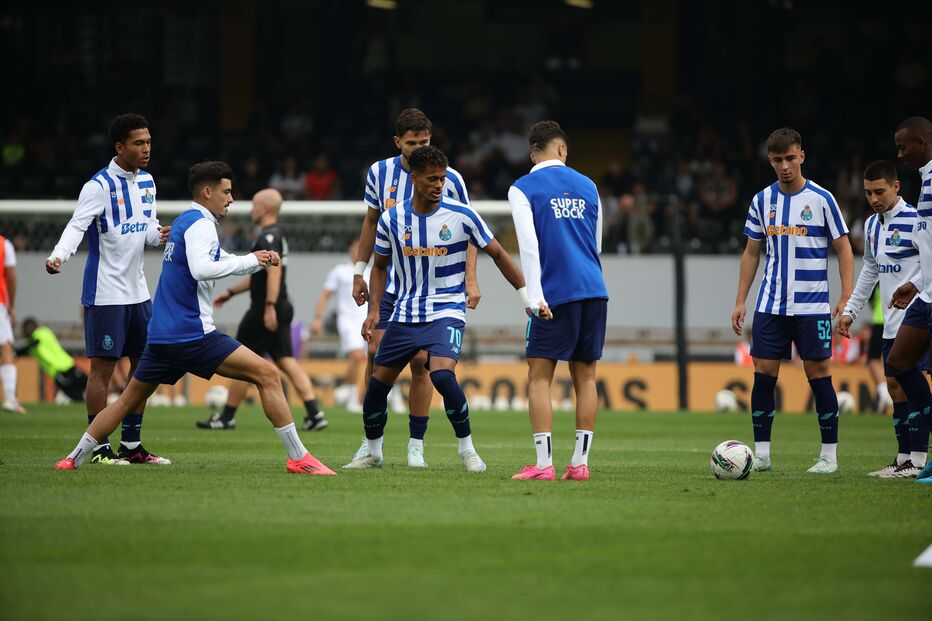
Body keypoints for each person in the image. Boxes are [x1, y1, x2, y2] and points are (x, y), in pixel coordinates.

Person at [55, 161, 335, 475]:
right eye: (226, 191)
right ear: (207, 191)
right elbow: (202, 269)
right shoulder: (202, 224)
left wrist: (255, 263)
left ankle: (73, 458)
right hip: (191, 334)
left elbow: (209, 261)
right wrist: (250, 260)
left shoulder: (185, 221)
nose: (231, 198)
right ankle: (299, 458)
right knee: (267, 375)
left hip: (161, 337)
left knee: (124, 402)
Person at [343, 145, 538, 472]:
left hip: (446, 309)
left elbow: (500, 254)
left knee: (443, 375)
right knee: (377, 385)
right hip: (404, 312)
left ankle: (467, 450)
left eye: (442, 179)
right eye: (432, 179)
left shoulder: (461, 214)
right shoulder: (392, 218)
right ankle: (373, 452)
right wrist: (376, 311)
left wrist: (526, 299)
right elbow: (379, 267)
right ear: (414, 177)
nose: (438, 185)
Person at [350, 108, 479, 468]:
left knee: (423, 364)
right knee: (374, 354)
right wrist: (359, 272)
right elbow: (371, 223)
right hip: (390, 286)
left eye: (424, 141)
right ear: (397, 143)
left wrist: (470, 277)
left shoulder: (449, 178)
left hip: (433, 290)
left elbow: (471, 231)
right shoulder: (379, 173)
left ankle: (415, 445)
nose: (418, 148)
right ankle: (370, 444)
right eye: (412, 143)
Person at [45, 113, 170, 465]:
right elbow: (77, 226)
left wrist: (158, 234)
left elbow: (146, 229)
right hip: (106, 294)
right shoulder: (97, 187)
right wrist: (59, 256)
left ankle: (131, 446)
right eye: (139, 143)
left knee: (145, 367)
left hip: (139, 293)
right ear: (120, 147)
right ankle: (98, 448)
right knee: (102, 370)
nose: (147, 149)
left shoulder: (147, 181)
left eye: (148, 142)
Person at [731, 127, 854, 475]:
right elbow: (752, 252)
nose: (784, 165)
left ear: (801, 156)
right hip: (770, 304)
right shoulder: (761, 201)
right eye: (776, 160)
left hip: (812, 306)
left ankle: (829, 456)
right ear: (770, 161)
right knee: (763, 375)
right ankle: (763, 455)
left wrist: (845, 295)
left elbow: (844, 247)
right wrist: (741, 300)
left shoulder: (822, 199)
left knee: (819, 374)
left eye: (789, 158)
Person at [507, 121, 607, 482]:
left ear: (532, 153)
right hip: (594, 289)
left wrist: (534, 296)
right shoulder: (590, 186)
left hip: (554, 292)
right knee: (586, 377)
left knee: (539, 376)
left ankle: (544, 464)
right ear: (562, 149)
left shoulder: (522, 188)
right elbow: (596, 245)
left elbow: (528, 245)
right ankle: (580, 464)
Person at [198, 188, 327, 431]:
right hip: (280, 305)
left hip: (265, 308)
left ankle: (226, 417)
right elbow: (258, 276)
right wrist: (231, 292)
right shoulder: (276, 234)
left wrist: (268, 307)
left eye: (255, 204)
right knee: (286, 360)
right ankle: (314, 413)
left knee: (242, 358)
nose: (251, 209)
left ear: (265, 208)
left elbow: (273, 272)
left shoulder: (267, 237)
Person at [836, 161, 928, 478]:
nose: (873, 198)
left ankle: (917, 459)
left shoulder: (917, 220)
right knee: (893, 386)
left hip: (917, 319)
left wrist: (916, 287)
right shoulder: (873, 225)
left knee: (911, 385)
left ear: (896, 187)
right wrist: (850, 311)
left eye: (879, 191)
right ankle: (903, 459)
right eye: (868, 193)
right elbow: (870, 272)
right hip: (890, 320)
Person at [887, 115, 932, 484]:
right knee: (899, 360)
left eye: (904, 147)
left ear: (922, 142)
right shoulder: (925, 180)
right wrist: (916, 284)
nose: (900, 154)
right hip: (926, 294)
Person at [311, 237, 369, 413]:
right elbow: (325, 295)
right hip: (347, 321)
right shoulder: (340, 271)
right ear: (350, 249)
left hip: (367, 320)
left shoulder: (371, 271)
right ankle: (352, 399)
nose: (358, 250)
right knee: (357, 356)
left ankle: (361, 399)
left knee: (370, 362)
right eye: (355, 247)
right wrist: (318, 318)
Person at [17, 318, 88, 402]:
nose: (24, 331)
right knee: (76, 396)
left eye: (25, 328)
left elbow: (34, 342)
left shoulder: (42, 332)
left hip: (64, 368)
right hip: (59, 372)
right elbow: (24, 351)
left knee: (88, 386)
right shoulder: (31, 345)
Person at [0, 232, 23, 412]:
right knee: (6, 347)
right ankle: (10, 398)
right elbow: (11, 278)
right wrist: (11, 306)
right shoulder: (4, 244)